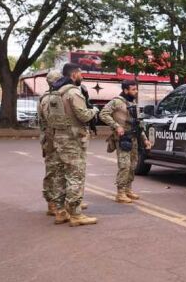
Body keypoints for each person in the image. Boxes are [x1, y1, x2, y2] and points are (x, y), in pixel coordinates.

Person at [49, 63, 99, 226]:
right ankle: (76, 215)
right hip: (73, 139)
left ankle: (60, 211)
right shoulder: (73, 92)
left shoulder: (56, 92)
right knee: (75, 176)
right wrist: (95, 110)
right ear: (74, 74)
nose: (82, 76)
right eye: (80, 73)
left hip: (59, 138)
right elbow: (83, 115)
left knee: (60, 176)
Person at [99, 80, 152, 203]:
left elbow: (138, 124)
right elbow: (103, 114)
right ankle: (120, 193)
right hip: (123, 139)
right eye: (133, 89)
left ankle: (128, 189)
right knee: (124, 165)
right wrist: (116, 126)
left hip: (134, 137)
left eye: (136, 89)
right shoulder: (116, 101)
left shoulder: (132, 102)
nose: (136, 91)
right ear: (125, 90)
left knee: (133, 165)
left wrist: (145, 140)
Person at [38, 69, 64, 216]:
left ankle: (59, 201)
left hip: (50, 138)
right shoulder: (51, 99)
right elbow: (50, 121)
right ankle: (52, 203)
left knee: (58, 171)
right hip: (53, 139)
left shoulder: (45, 97)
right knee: (53, 172)